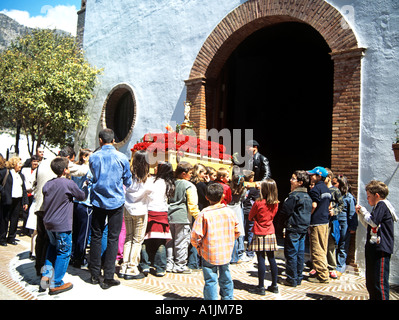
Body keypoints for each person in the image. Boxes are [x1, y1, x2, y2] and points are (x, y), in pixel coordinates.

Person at [89, 128, 132, 289]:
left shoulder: (94, 157)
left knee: (96, 236)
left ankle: (94, 274)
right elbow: (128, 180)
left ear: (101, 140)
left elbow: (93, 175)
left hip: (98, 200)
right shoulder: (122, 157)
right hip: (116, 201)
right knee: (113, 238)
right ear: (113, 140)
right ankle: (108, 276)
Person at [41, 157, 87, 295]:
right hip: (62, 224)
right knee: (64, 252)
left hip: (48, 223)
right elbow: (82, 196)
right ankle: (56, 283)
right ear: (65, 170)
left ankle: (46, 277)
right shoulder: (68, 183)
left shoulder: (48, 184)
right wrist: (85, 186)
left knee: (52, 248)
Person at [191, 183, 240, 300]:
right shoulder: (230, 212)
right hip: (225, 252)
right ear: (223, 196)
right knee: (226, 276)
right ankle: (228, 298)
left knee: (210, 279)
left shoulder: (204, 214)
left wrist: (199, 248)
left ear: (206, 197)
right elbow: (237, 231)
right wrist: (229, 242)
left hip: (209, 252)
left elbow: (195, 236)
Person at [356, 180, 397, 300]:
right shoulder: (377, 207)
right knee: (371, 281)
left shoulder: (382, 205)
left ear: (377, 195)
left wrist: (363, 211)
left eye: (369, 196)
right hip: (373, 247)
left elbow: (373, 222)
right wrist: (361, 215)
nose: (368, 199)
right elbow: (370, 226)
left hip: (381, 248)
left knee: (379, 282)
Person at [120, 150, 152, 280]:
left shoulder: (128, 176)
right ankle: (132, 268)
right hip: (140, 210)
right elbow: (150, 194)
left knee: (128, 238)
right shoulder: (147, 179)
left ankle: (124, 266)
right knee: (137, 240)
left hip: (127, 208)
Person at [140, 161, 175, 277]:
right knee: (160, 241)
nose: (154, 169)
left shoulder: (151, 181)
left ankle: (145, 265)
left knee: (145, 239)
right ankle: (160, 267)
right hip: (162, 213)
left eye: (156, 167)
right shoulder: (169, 183)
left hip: (149, 211)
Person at [280, 170, 312, 287]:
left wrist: (281, 225)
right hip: (303, 228)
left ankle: (291, 279)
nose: (290, 180)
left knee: (292, 253)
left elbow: (285, 211)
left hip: (293, 228)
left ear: (300, 182)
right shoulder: (307, 196)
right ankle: (298, 277)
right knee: (300, 253)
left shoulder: (294, 196)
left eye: (293, 179)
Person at [166, 161, 199, 274]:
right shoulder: (189, 186)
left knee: (169, 242)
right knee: (181, 242)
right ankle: (180, 265)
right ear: (184, 173)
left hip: (169, 216)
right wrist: (198, 217)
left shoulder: (170, 183)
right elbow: (192, 205)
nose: (191, 175)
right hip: (183, 217)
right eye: (190, 173)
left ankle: (169, 264)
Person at [247, 179, 279, 295]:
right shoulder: (275, 203)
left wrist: (256, 219)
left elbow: (250, 216)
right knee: (272, 259)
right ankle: (274, 285)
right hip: (270, 231)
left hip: (259, 232)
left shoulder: (258, 203)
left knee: (261, 259)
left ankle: (261, 287)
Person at [306, 166, 332, 284]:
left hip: (316, 222)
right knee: (323, 247)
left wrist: (307, 217)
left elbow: (314, 205)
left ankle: (323, 276)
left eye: (313, 175)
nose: (310, 177)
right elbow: (329, 206)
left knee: (317, 249)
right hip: (325, 222)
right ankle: (319, 271)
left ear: (319, 176)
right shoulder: (327, 190)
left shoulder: (315, 190)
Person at [70, 148, 93, 268]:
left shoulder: (75, 169)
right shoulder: (88, 170)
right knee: (83, 234)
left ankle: (73, 255)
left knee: (76, 232)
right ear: (84, 157)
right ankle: (80, 258)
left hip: (75, 203)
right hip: (86, 204)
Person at [0, 156, 28, 246]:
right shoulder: (6, 173)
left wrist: (25, 201)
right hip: (7, 200)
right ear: (14, 164)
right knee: (4, 219)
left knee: (14, 219)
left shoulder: (21, 175)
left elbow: (24, 189)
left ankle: (11, 237)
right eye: (19, 163)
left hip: (18, 200)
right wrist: (3, 193)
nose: (21, 165)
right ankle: (2, 238)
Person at [335, 174, 357, 277]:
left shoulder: (349, 197)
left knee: (343, 245)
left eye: (335, 183)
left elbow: (352, 213)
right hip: (335, 222)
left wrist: (353, 227)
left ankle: (340, 267)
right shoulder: (335, 195)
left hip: (344, 224)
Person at [324, 168, 344, 280]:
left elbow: (342, 205)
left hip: (331, 221)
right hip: (321, 221)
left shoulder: (335, 191)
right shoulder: (321, 189)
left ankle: (331, 267)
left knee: (330, 244)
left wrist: (334, 211)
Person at [228, 173, 246, 264]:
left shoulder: (228, 188)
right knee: (236, 233)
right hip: (237, 210)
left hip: (228, 208)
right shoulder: (243, 190)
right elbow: (243, 199)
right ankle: (236, 255)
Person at [21, 155, 40, 236]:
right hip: (25, 193)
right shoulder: (25, 170)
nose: (35, 163)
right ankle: (24, 229)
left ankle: (30, 231)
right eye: (34, 161)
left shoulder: (39, 171)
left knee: (31, 213)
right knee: (24, 212)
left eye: (37, 161)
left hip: (33, 193)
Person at [242, 170, 258, 261]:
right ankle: (250, 252)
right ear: (251, 179)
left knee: (242, 231)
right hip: (251, 212)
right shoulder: (255, 189)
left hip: (243, 210)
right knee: (251, 232)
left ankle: (240, 251)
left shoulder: (241, 186)